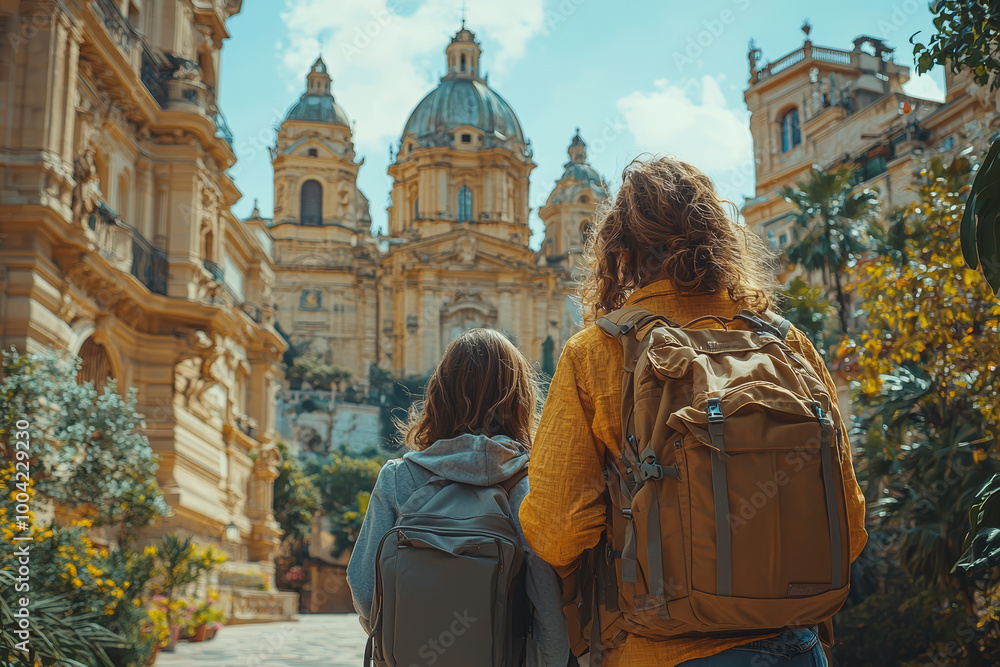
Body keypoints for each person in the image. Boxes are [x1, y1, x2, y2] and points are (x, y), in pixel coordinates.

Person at [519, 156, 868, 667]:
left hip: (656, 650)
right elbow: (851, 525)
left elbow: (556, 529)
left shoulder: (596, 351)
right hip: (795, 645)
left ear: (620, 250)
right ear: (718, 237)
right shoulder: (785, 341)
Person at [347, 328, 570, 667]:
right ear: (519, 399)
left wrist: (404, 637)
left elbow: (363, 588)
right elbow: (545, 599)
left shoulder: (398, 477)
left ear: (439, 394)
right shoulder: (528, 482)